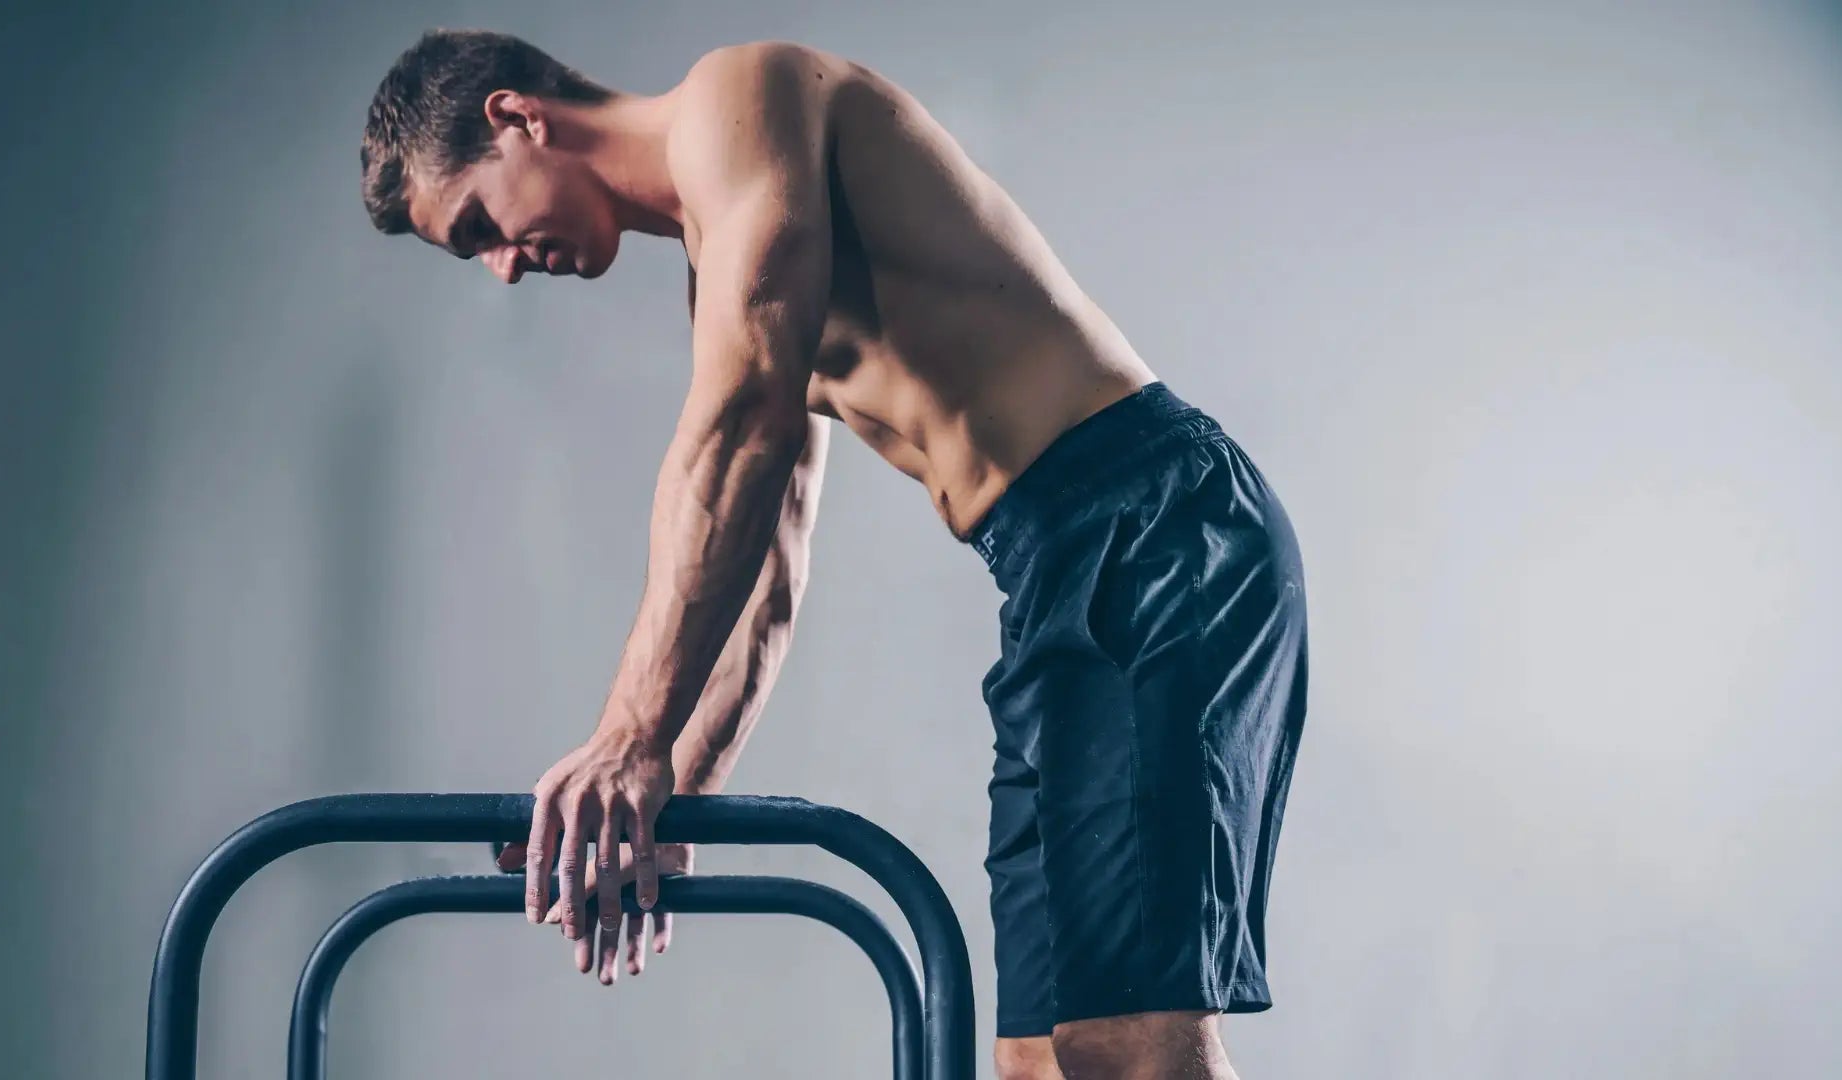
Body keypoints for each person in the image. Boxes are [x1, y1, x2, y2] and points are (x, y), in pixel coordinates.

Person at [360, 30, 1308, 1080]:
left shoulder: (740, 98)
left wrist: (630, 736)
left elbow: (738, 425)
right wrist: (683, 792)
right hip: (1053, 573)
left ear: (516, 119)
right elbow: (767, 580)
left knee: (1131, 1046)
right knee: (1038, 1061)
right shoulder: (723, 250)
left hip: (1147, 530)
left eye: (479, 225)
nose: (499, 268)